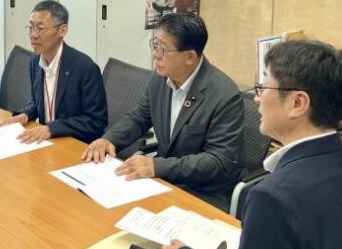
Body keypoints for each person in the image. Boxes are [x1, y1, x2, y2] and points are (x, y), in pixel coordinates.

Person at [158, 40, 342, 249]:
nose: (256, 98)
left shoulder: (274, 196)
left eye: (263, 87)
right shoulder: (341, 163)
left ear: (297, 103)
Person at [82, 13, 244, 211]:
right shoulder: (160, 78)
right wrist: (109, 140)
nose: (155, 55)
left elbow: (218, 161)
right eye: (155, 45)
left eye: (163, 49)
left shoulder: (225, 95)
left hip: (202, 191)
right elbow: (139, 117)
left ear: (190, 57)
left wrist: (156, 166)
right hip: (163, 181)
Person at [0, 0, 108, 144]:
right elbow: (37, 102)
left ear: (62, 30)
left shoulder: (85, 68)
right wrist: (25, 115)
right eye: (31, 27)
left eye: (40, 28)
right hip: (45, 142)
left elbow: (96, 122)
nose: (33, 35)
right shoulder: (35, 61)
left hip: (74, 144)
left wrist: (51, 129)